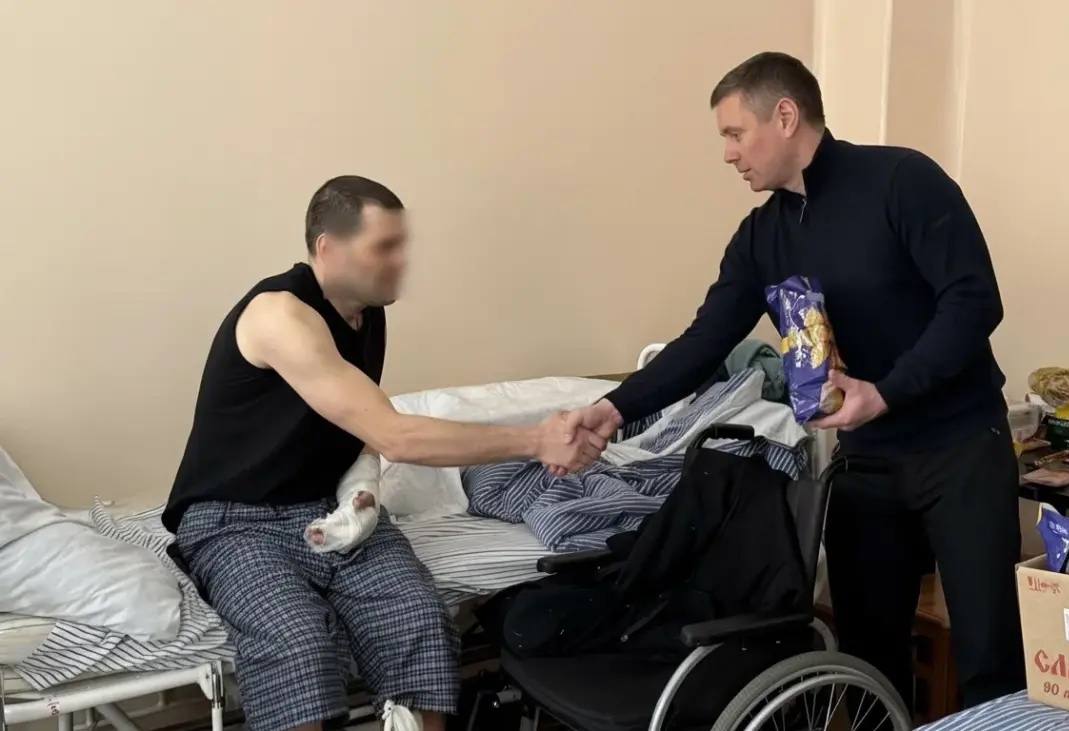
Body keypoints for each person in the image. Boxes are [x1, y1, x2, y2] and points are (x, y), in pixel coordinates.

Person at [563, 52, 1024, 708]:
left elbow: (974, 302)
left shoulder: (902, 180)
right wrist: (613, 409)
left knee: (990, 654)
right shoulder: (762, 236)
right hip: (867, 463)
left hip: (961, 449)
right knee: (867, 656)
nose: (727, 154)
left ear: (784, 116)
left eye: (734, 133)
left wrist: (885, 392)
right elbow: (703, 341)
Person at [162, 176, 604, 731]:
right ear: (328, 248)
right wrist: (537, 440)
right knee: (296, 642)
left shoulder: (366, 315)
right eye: (384, 247)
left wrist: (360, 488)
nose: (400, 262)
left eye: (401, 245)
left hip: (326, 507)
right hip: (234, 519)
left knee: (418, 620)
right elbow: (396, 435)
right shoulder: (279, 315)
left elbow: (358, 427)